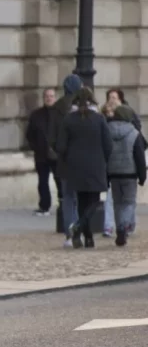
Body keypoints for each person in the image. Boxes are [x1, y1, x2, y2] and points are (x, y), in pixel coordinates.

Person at [57, 87, 111, 249]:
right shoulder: (99, 119)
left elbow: (61, 146)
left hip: (75, 166)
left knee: (81, 202)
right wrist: (103, 160)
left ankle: (87, 237)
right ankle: (80, 227)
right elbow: (108, 145)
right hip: (95, 165)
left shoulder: (68, 119)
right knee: (94, 201)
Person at [50, 73, 85, 246]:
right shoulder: (82, 108)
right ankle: (79, 231)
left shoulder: (56, 109)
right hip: (80, 161)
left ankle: (70, 233)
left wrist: (60, 152)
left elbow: (52, 138)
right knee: (80, 198)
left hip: (64, 161)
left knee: (67, 198)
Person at [105, 104, 146, 247]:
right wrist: (142, 176)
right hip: (130, 173)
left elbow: (105, 153)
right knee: (129, 202)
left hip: (113, 172)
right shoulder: (134, 133)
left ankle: (119, 229)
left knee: (117, 203)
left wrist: (105, 175)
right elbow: (139, 156)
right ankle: (123, 227)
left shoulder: (107, 130)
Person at [26, 87, 59, 215]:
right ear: (43, 98)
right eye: (47, 96)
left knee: (59, 181)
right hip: (41, 154)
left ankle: (62, 204)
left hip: (57, 154)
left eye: (51, 96)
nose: (49, 98)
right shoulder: (36, 115)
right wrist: (36, 147)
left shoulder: (60, 114)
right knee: (42, 182)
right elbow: (30, 134)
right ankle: (44, 206)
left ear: (55, 98)